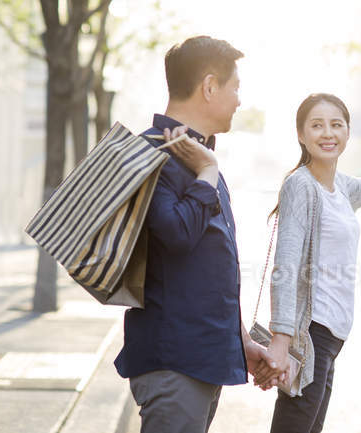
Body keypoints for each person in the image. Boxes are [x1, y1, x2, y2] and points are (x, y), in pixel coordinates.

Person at [113, 36, 277, 433]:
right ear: (209, 87)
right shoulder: (149, 156)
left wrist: (241, 341)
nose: (239, 100)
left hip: (201, 359)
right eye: (235, 87)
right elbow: (177, 234)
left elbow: (210, 268)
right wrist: (206, 174)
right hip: (173, 363)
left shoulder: (199, 156)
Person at [255, 93, 361, 432]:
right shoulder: (301, 185)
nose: (327, 133)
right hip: (310, 332)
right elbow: (285, 265)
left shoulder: (341, 186)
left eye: (336, 125)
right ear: (301, 134)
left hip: (332, 334)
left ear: (348, 132)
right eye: (317, 125)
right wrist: (281, 337)